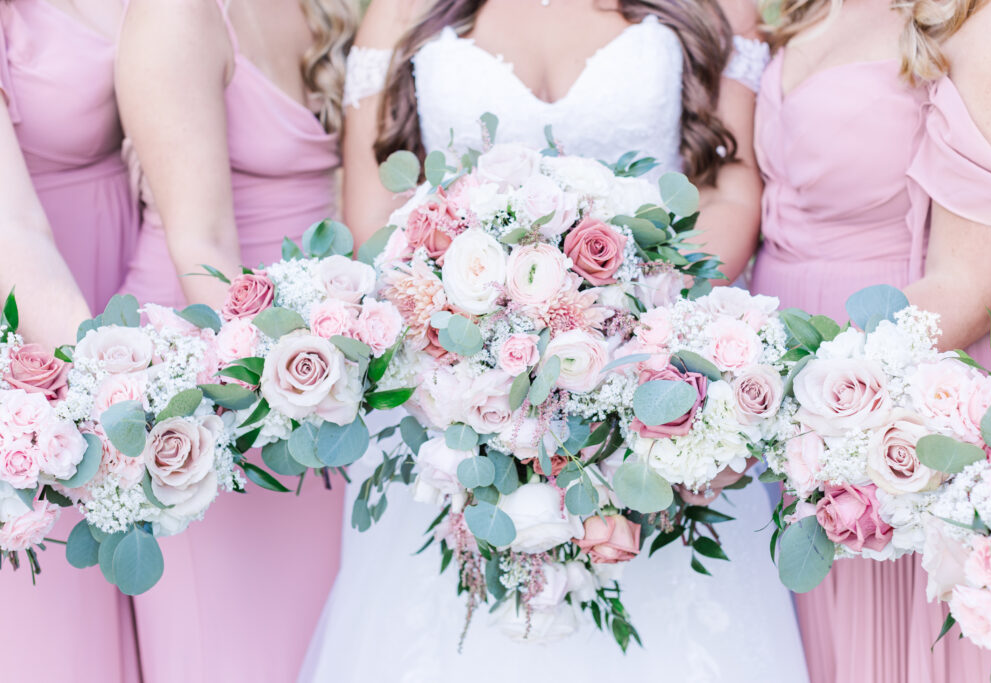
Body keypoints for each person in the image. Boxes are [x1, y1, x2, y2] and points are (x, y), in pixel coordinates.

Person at [301, 1, 809, 681]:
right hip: (457, 399)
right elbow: (372, 220)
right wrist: (479, 340)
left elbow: (729, 191)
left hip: (652, 381)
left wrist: (634, 316)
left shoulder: (717, 8)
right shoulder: (399, 11)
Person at [749, 0, 991, 680]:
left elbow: (973, 281)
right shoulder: (805, 6)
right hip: (786, 411)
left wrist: (806, 392)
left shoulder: (988, 16)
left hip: (891, 395)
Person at [115, 0, 354, 679]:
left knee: (318, 644)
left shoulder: (319, 9)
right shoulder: (176, 15)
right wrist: (286, 386)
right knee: (226, 653)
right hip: (212, 384)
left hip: (316, 372)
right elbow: (203, 245)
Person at [0, 1, 142, 680]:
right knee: (65, 621)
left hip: (134, 290)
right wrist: (108, 390)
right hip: (47, 326)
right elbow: (13, 234)